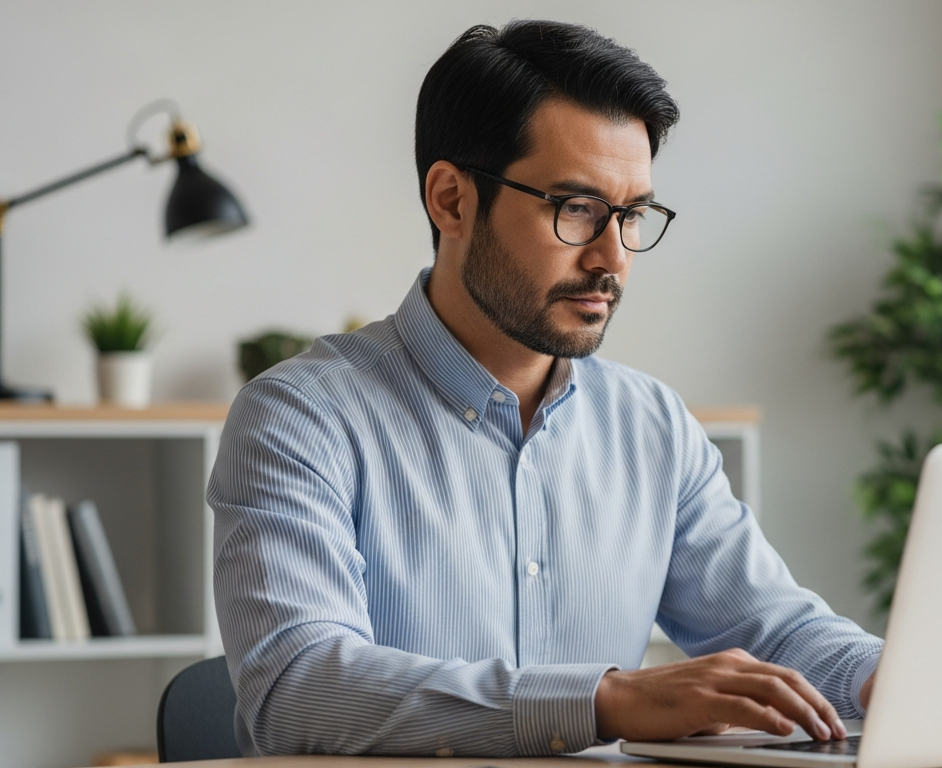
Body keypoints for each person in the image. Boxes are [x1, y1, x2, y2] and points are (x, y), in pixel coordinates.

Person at [210, 20, 883, 758]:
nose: (613, 258)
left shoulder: (652, 424)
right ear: (452, 201)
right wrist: (604, 701)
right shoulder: (300, 418)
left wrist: (889, 678)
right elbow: (298, 686)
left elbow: (777, 632)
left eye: (632, 216)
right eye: (577, 209)